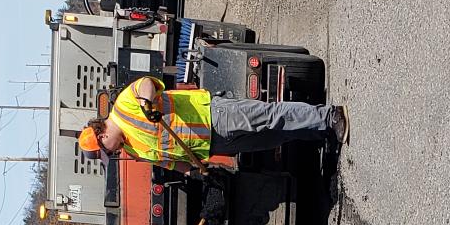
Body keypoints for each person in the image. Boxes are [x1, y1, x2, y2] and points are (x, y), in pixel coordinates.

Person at [76, 75, 348, 169]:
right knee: (274, 136)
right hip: (215, 145)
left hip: (212, 116)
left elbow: (146, 84)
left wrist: (147, 104)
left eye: (107, 150)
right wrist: (196, 171)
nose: (113, 152)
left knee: (270, 116)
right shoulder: (133, 150)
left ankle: (329, 115)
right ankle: (321, 132)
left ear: (101, 135)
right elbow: (168, 161)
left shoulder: (124, 106)